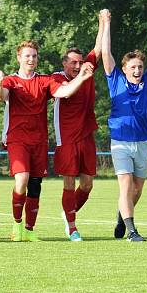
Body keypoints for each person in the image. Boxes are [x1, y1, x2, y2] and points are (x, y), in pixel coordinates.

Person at [0, 40, 94, 242]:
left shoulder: (45, 81)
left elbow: (64, 92)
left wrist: (81, 78)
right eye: (27, 55)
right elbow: (0, 95)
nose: (31, 59)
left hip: (38, 140)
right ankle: (17, 224)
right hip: (17, 139)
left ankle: (29, 229)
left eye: (34, 56)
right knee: (22, 178)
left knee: (35, 185)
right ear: (19, 58)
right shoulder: (11, 81)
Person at [101, 9, 147, 243]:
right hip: (120, 141)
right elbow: (105, 53)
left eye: (140, 67)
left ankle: (122, 216)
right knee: (126, 185)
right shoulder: (115, 79)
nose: (137, 71)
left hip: (143, 141)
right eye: (133, 67)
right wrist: (106, 23)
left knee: (136, 190)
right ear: (125, 69)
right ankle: (132, 231)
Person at [52, 16, 103, 242]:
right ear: (64, 63)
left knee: (88, 184)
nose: (77, 66)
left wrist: (104, 22)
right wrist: (82, 76)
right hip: (67, 138)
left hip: (86, 135)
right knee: (69, 182)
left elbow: (99, 49)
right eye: (72, 62)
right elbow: (67, 92)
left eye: (79, 62)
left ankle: (67, 212)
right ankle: (72, 227)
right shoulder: (56, 78)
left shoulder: (86, 70)